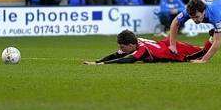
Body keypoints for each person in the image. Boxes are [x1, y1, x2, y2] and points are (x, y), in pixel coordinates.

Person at [83, 29, 213, 64]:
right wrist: (97, 62)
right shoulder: (135, 42)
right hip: (164, 44)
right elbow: (117, 54)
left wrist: (104, 64)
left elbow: (130, 59)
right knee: (199, 50)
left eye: (123, 47)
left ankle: (215, 35)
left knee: (202, 52)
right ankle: (214, 36)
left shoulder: (141, 49)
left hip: (174, 51)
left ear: (131, 45)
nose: (121, 49)